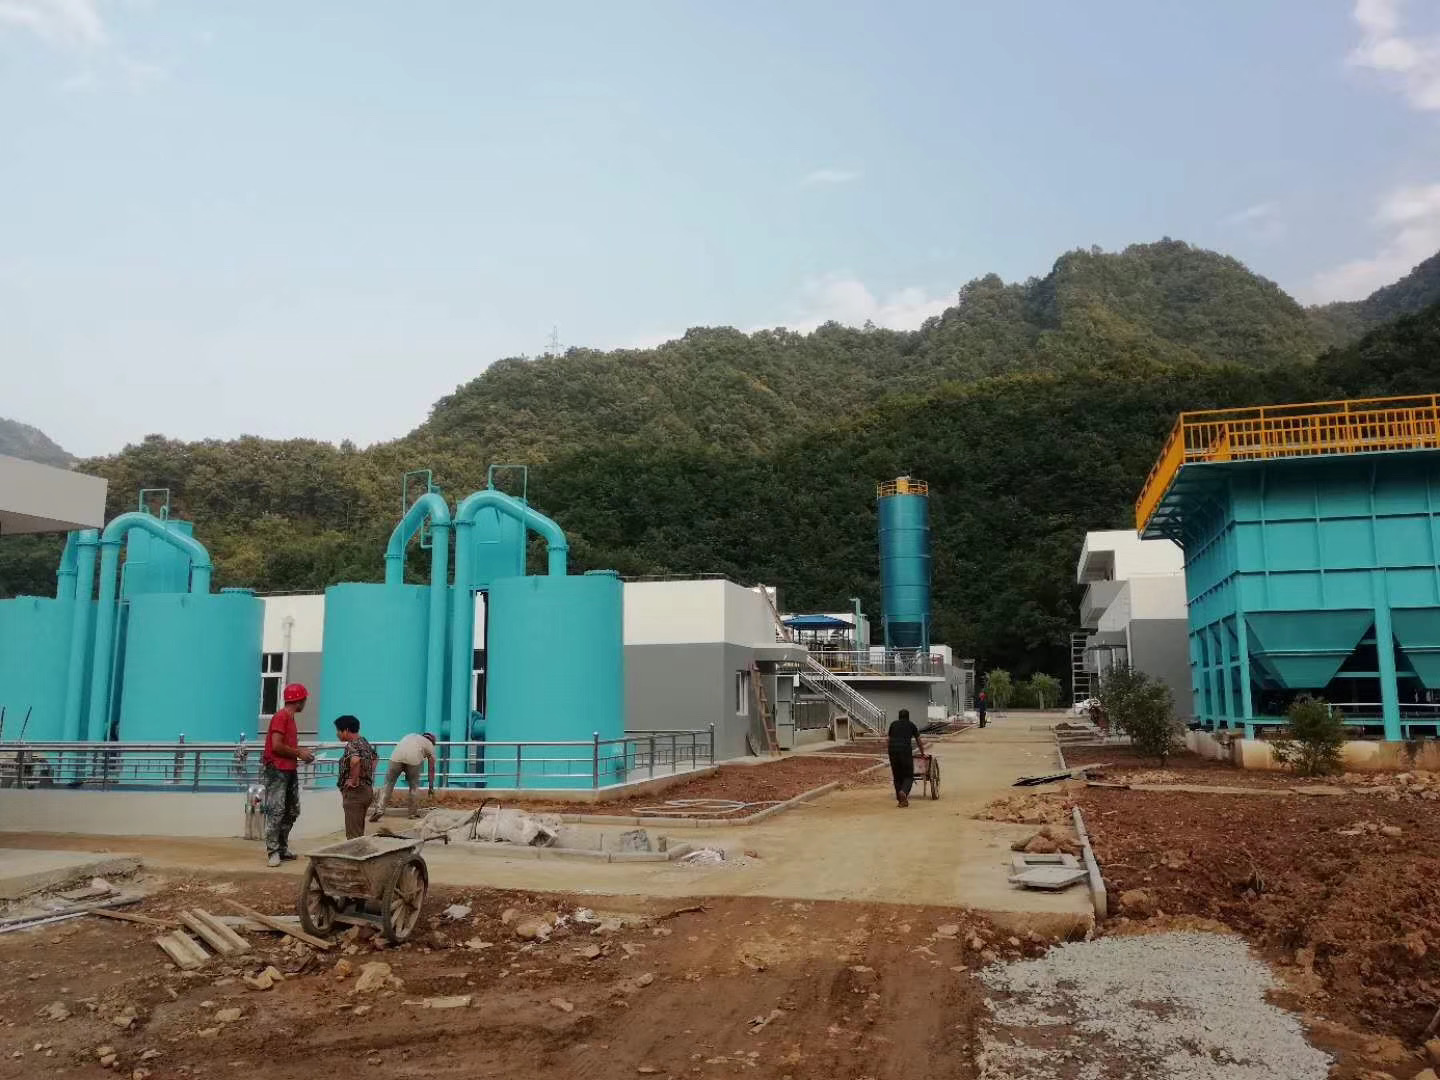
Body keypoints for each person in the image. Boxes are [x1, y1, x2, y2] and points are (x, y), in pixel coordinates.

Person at [262, 683, 315, 867]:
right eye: (305, 699)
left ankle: (282, 848)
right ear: (299, 700)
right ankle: (273, 851)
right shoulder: (281, 717)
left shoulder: (290, 719)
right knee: (276, 810)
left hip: (289, 768)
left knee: (292, 810)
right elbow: (276, 745)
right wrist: (299, 753)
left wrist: (300, 753)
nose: (305, 703)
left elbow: (286, 746)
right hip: (277, 769)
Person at [370, 732, 437, 821]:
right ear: (432, 741)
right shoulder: (430, 745)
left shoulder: (410, 736)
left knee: (388, 784)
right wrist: (431, 786)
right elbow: (431, 768)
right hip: (413, 759)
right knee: (414, 786)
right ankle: (412, 813)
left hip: (396, 757)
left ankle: (379, 810)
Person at [333, 715, 377, 840]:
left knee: (353, 837)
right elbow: (375, 757)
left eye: (338, 730)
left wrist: (354, 780)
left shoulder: (351, 745)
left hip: (355, 793)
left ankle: (358, 853)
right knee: (358, 831)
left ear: (346, 730)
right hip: (366, 790)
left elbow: (355, 760)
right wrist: (367, 773)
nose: (337, 734)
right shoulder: (364, 742)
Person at [887, 708, 924, 808]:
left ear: (899, 716)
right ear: (908, 717)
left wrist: (890, 752)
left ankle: (901, 801)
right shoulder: (911, 725)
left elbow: (888, 740)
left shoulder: (893, 724)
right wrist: (922, 753)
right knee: (908, 776)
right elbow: (919, 741)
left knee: (897, 777)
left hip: (893, 752)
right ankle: (903, 792)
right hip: (905, 752)